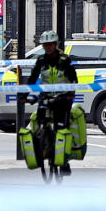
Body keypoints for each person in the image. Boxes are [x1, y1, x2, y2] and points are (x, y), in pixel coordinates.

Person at [27, 30, 78, 174]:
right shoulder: (41, 61)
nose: (48, 48)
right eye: (45, 45)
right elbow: (32, 79)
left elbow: (74, 79)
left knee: (62, 128)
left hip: (63, 98)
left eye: (50, 45)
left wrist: (70, 94)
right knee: (39, 122)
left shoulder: (64, 60)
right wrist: (24, 94)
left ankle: (64, 163)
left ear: (55, 45)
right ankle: (43, 149)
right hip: (46, 96)